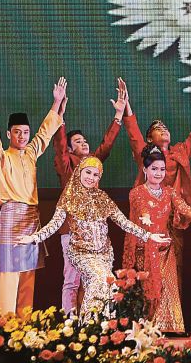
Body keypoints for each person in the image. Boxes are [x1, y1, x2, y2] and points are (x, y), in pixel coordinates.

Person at [15, 157, 170, 318]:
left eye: (96, 175)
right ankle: (87, 324)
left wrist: (149, 235)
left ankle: (100, 326)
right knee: (99, 279)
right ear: (79, 172)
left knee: (108, 288)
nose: (91, 177)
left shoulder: (102, 197)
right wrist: (34, 238)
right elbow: (54, 224)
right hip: (80, 252)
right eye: (88, 172)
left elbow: (124, 222)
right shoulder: (69, 197)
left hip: (104, 254)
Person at [0, 77, 66, 315]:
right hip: (10, 216)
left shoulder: (31, 153)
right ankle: (5, 322)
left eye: (26, 132)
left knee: (28, 270)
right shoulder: (1, 157)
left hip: (31, 216)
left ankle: (24, 321)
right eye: (17, 132)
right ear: (9, 134)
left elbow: (45, 133)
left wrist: (56, 102)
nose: (23, 136)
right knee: (9, 270)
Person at [123, 145, 191, 334]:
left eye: (162, 169)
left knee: (169, 286)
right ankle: (148, 328)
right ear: (145, 169)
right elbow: (143, 210)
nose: (159, 173)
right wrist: (146, 218)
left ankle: (170, 326)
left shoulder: (169, 192)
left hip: (166, 246)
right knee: (149, 288)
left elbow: (185, 209)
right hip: (145, 249)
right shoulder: (136, 193)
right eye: (154, 169)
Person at [52, 80, 126, 314]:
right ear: (70, 149)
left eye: (85, 141)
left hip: (94, 232)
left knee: (94, 279)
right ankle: (70, 322)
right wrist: (59, 114)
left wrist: (118, 116)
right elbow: (59, 145)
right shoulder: (67, 166)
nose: (84, 143)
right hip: (72, 231)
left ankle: (91, 322)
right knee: (72, 279)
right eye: (78, 142)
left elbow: (106, 145)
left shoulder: (92, 164)